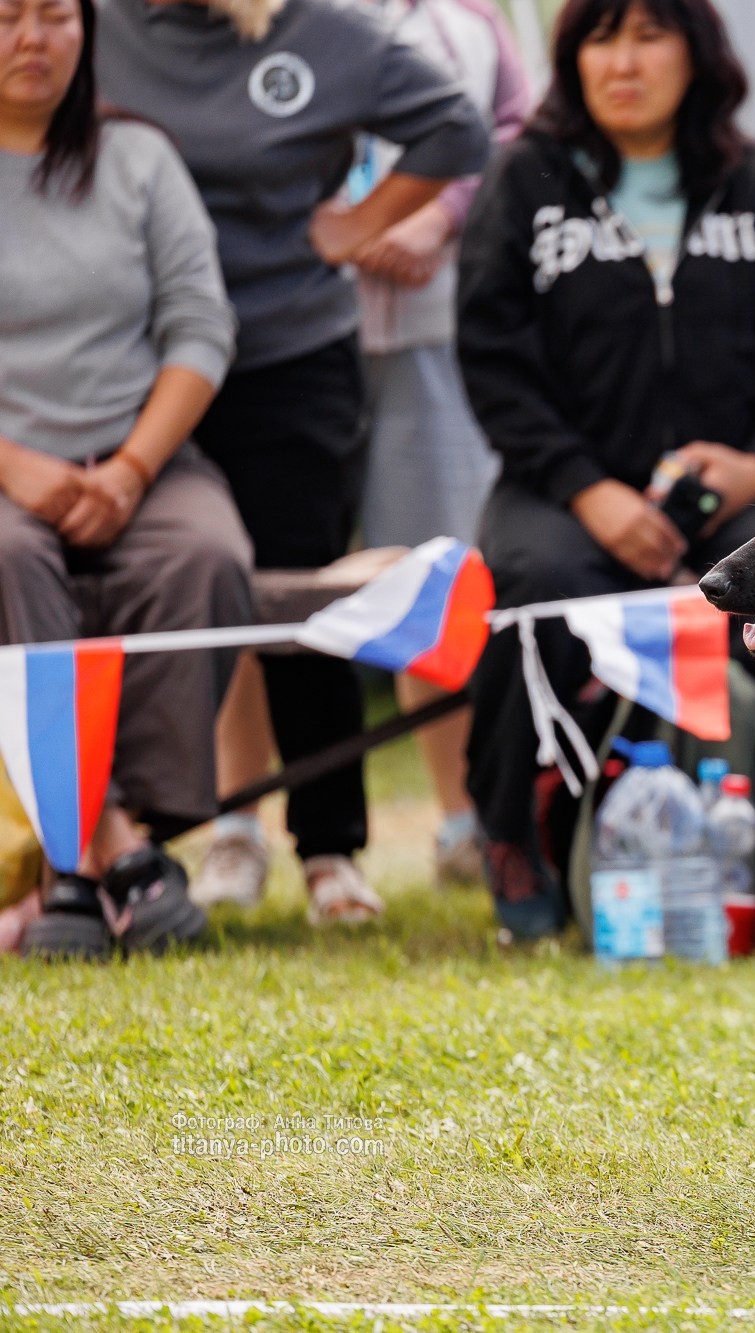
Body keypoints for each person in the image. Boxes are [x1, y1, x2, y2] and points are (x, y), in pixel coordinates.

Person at [96, 0, 488, 926]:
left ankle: (328, 848)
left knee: (302, 591)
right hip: (128, 362)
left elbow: (457, 127)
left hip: (287, 354)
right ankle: (173, 836)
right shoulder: (90, 24)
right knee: (175, 585)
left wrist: (356, 224)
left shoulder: (323, 30)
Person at [455, 0, 755, 940]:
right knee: (541, 587)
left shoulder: (752, 183)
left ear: (696, 56)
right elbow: (491, 359)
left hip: (733, 488)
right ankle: (514, 836)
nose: (623, 62)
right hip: (561, 485)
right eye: (601, 37)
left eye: (649, 35)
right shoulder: (525, 179)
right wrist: (587, 489)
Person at [0, 0, 249, 958]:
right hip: (7, 470)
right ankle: (110, 848)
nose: (33, 38)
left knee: (207, 554)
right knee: (9, 557)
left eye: (55, 15)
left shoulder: (139, 158)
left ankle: (101, 848)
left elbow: (201, 325)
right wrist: (18, 468)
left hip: (141, 456)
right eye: (8, 17)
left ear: (88, 30)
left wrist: (134, 467)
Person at [351, 0, 534, 889]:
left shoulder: (473, 19)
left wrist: (438, 217)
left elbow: (516, 130)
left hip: (437, 329)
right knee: (264, 576)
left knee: (440, 576)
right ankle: (251, 830)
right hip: (285, 335)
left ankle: (462, 818)